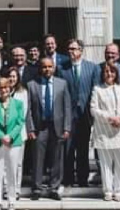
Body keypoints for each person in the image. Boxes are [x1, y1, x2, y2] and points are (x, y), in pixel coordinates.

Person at [27, 57, 71, 200]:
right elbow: (28, 110)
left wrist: (67, 127)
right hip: (40, 127)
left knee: (57, 158)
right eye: (44, 67)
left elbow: (67, 107)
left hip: (57, 126)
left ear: (54, 68)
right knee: (38, 158)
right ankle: (36, 188)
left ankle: (54, 188)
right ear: (40, 68)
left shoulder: (62, 84)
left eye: (50, 67)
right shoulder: (32, 85)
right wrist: (31, 129)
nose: (47, 69)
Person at [58, 39, 100, 187]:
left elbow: (95, 91)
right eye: (69, 49)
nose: (71, 52)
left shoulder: (92, 68)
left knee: (83, 149)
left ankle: (83, 179)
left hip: (85, 115)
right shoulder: (62, 69)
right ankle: (68, 179)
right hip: (67, 115)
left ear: (81, 50)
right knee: (68, 148)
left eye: (74, 49)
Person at [90, 62, 120, 202]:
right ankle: (108, 191)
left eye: (112, 72)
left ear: (116, 74)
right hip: (104, 131)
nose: (109, 74)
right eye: (107, 72)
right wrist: (110, 118)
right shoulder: (97, 89)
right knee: (105, 164)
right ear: (103, 74)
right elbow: (94, 109)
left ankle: (118, 191)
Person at [0, 78, 26, 210]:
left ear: (10, 89)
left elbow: (20, 122)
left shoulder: (18, 103)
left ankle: (11, 200)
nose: (4, 90)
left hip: (13, 142)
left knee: (12, 171)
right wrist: (1, 136)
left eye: (6, 87)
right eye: (1, 87)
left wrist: (10, 136)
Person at [3, 66, 30, 201]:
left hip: (18, 132)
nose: (11, 79)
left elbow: (22, 115)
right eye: (9, 76)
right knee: (5, 163)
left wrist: (12, 132)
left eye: (14, 76)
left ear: (18, 78)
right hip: (3, 133)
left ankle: (16, 190)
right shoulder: (0, 91)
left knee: (18, 163)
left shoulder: (23, 93)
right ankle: (6, 189)